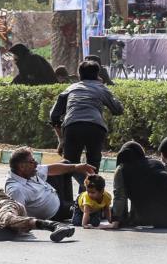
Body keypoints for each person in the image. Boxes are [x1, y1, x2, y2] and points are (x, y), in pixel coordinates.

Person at [49, 60, 124, 192]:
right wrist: (105, 88)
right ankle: (89, 196)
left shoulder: (71, 88)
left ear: (79, 75)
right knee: (92, 166)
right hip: (95, 128)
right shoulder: (101, 88)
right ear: (97, 74)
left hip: (72, 127)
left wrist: (61, 139)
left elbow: (54, 115)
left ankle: (68, 201)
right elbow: (118, 110)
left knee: (69, 165)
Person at [5, 147, 98, 221]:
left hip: (54, 192)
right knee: (89, 210)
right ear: (21, 166)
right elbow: (17, 217)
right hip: (56, 211)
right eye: (32, 161)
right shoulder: (16, 190)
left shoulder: (27, 172)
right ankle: (89, 205)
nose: (36, 163)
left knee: (67, 164)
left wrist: (77, 167)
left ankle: (92, 192)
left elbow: (49, 169)